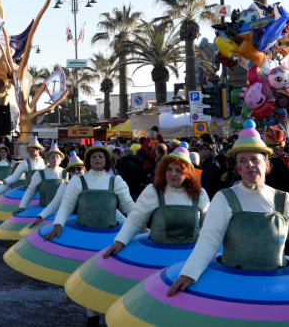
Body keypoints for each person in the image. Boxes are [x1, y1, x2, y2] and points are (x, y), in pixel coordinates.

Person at [105, 121, 289, 326]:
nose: (250, 165)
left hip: (274, 286)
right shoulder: (225, 197)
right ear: (237, 167)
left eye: (255, 159)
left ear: (266, 163)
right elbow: (210, 237)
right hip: (232, 285)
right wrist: (189, 273)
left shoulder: (284, 199)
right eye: (243, 160)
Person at [66, 142, 210, 318]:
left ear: (188, 173)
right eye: (169, 169)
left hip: (188, 259)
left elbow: (208, 228)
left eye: (179, 170)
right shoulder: (154, 191)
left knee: (186, 306)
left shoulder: (200, 195)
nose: (173, 174)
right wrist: (120, 242)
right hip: (156, 260)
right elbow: (136, 218)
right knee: (155, 304)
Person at [4, 141, 135, 327]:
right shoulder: (78, 180)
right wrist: (57, 224)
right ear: (89, 161)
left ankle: (112, 312)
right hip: (85, 238)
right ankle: (92, 315)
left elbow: (128, 208)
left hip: (110, 237)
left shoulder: (116, 181)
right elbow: (64, 205)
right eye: (94, 156)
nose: (98, 159)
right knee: (89, 276)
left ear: (107, 160)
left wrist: (141, 227)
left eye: (101, 156)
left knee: (111, 276)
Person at [0, 137, 46, 220]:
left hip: (43, 195)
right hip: (30, 195)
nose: (30, 153)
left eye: (33, 150)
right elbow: (14, 177)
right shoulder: (25, 163)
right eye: (29, 151)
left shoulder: (46, 163)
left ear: (39, 150)